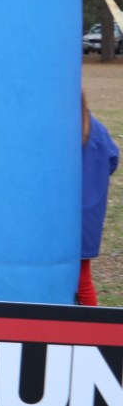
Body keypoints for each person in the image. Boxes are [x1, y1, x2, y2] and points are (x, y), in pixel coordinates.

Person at [78, 91, 118, 306]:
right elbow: (112, 160)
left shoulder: (53, 129)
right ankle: (88, 333)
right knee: (83, 279)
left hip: (57, 220)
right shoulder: (96, 128)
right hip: (87, 217)